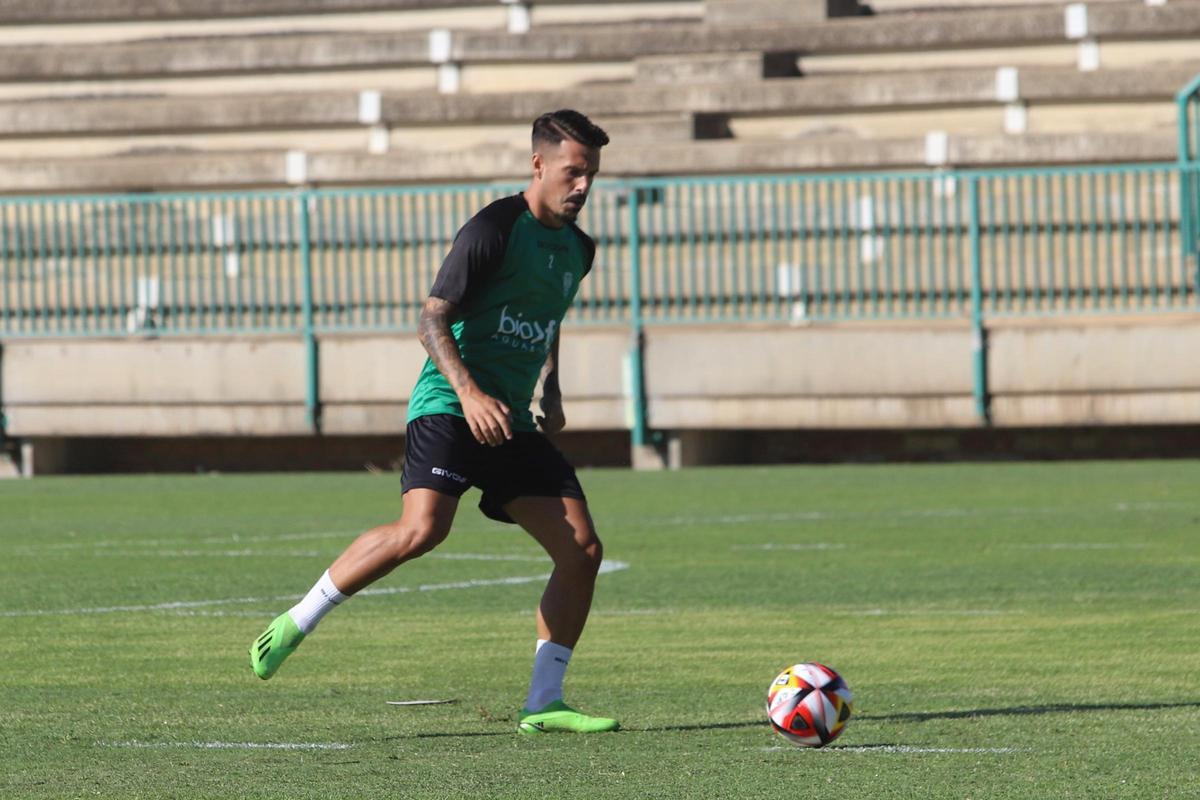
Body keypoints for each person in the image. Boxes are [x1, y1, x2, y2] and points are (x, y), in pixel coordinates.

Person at [249, 109, 618, 736]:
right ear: (538, 165)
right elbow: (431, 319)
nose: (582, 186)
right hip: (451, 404)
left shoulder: (578, 249)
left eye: (592, 175)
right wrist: (469, 392)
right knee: (422, 530)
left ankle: (544, 702)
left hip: (510, 419)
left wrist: (550, 387)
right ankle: (294, 622)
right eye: (572, 172)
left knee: (581, 550)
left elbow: (548, 316)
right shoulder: (494, 228)